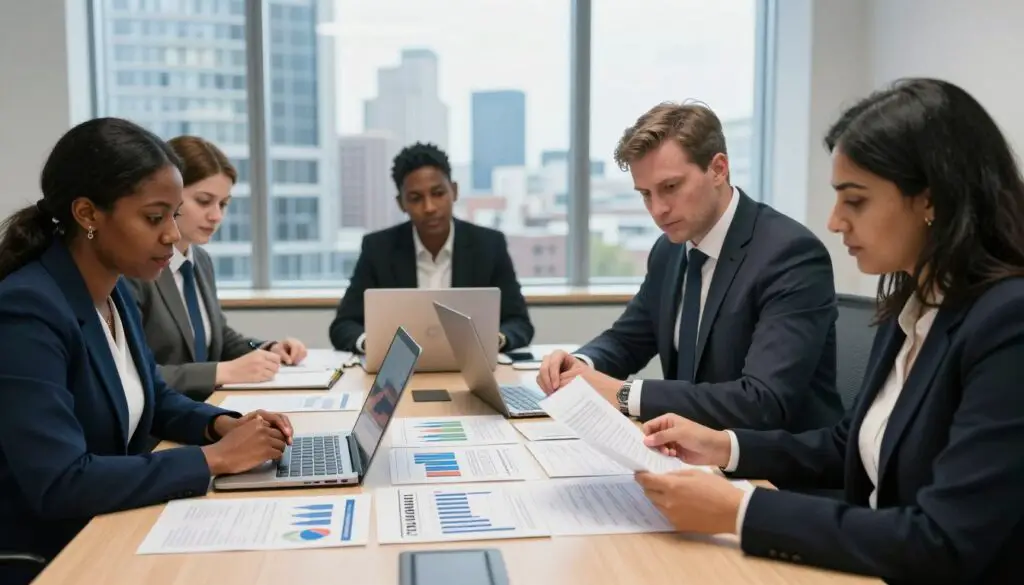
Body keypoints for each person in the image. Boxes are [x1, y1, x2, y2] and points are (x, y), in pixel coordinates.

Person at [633, 78, 1024, 583]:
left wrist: (741, 511)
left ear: (931, 200)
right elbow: (849, 446)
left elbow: (944, 541)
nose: (834, 222)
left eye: (854, 201)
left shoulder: (1006, 326)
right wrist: (723, 446)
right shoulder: (911, 301)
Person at [0, 118, 294, 585]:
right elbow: (59, 482)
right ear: (88, 214)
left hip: (110, 524)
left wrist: (223, 425)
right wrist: (213, 460)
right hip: (51, 555)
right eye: (154, 218)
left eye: (174, 216)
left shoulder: (114, 292)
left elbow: (155, 398)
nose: (172, 236)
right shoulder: (28, 310)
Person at [538, 102, 842, 432]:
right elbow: (628, 340)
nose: (658, 210)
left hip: (770, 467)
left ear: (718, 169)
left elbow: (762, 401)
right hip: (689, 453)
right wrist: (580, 364)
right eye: (645, 194)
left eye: (670, 187)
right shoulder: (669, 250)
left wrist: (623, 394)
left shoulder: (788, 254)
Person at [127, 136, 307, 400]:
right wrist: (222, 372)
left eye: (223, 204)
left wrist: (267, 348)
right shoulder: (135, 268)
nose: (216, 216)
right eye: (203, 201)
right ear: (168, 197)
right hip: (157, 426)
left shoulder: (200, 260)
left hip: (205, 410)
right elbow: (133, 374)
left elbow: (218, 336)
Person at [329, 142, 534, 353]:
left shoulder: (489, 245)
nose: (429, 207)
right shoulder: (378, 249)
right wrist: (372, 345)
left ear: (454, 191)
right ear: (401, 203)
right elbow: (344, 325)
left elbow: (519, 322)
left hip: (472, 369)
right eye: (416, 198)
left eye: (438, 193)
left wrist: (494, 340)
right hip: (400, 371)